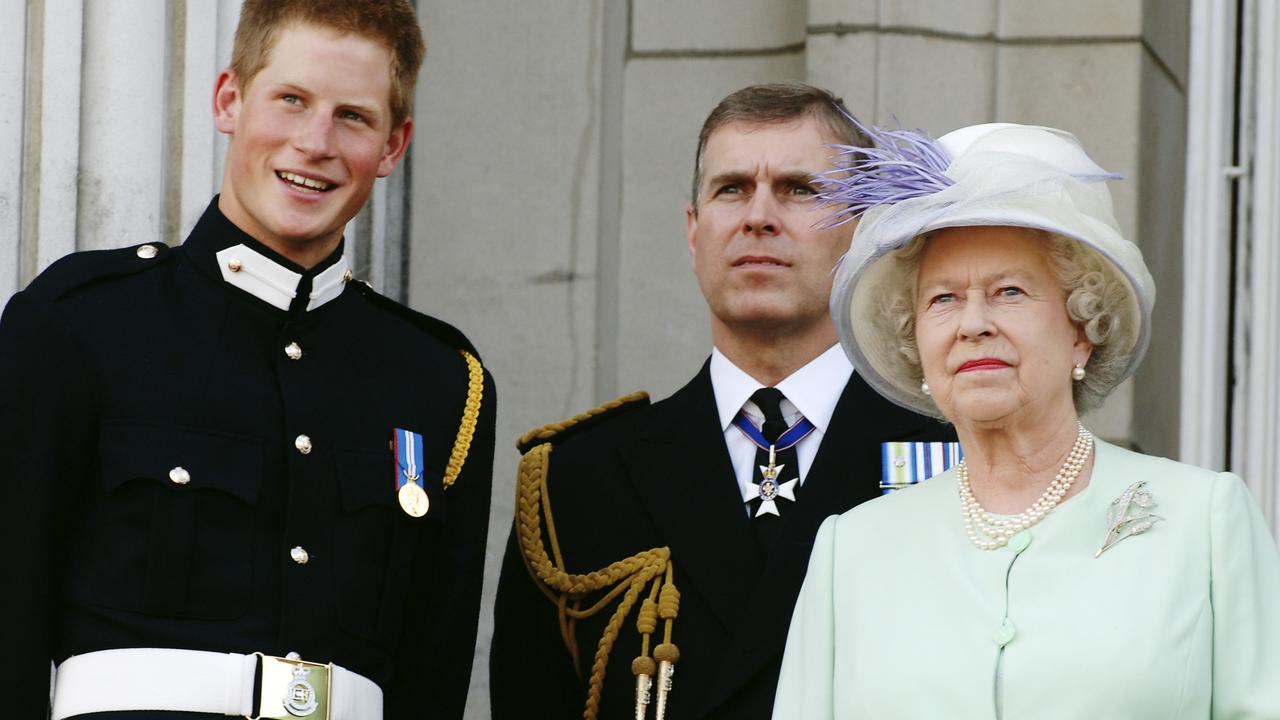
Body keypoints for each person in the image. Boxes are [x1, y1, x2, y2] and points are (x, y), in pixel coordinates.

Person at [0, 2, 495, 718]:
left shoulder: (442, 381)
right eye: (291, 100)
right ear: (229, 99)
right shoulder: (80, 324)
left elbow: (433, 674)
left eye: (353, 116)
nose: (315, 142)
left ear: (393, 146)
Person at [772, 122, 1280, 718]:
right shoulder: (851, 548)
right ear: (917, 342)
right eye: (943, 299)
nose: (973, 323)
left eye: (1010, 291)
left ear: (1083, 332)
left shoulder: (1205, 521)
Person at [489, 82, 952, 720]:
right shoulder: (577, 480)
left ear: (861, 232)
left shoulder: (955, 457)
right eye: (731, 188)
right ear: (693, 230)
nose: (758, 215)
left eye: (799, 189)